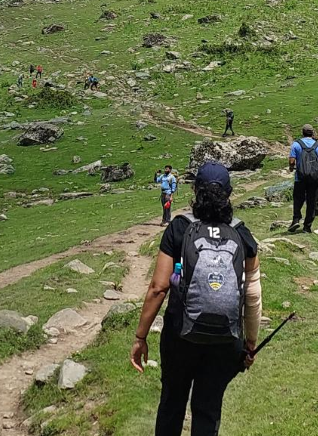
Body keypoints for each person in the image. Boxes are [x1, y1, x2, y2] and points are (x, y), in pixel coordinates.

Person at [132, 162, 262, 436]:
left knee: (172, 403)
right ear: (228, 193)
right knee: (208, 408)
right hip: (226, 338)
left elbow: (158, 287)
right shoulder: (242, 234)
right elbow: (252, 294)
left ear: (195, 191)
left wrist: (141, 336)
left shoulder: (180, 228)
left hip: (180, 334)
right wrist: (249, 343)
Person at [288, 124, 318, 233]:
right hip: (314, 179)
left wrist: (291, 168)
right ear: (312, 132)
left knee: (298, 199)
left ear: (303, 132)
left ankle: (296, 219)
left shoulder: (296, 144)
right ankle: (307, 226)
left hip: (300, 177)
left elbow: (292, 160)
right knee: (312, 202)